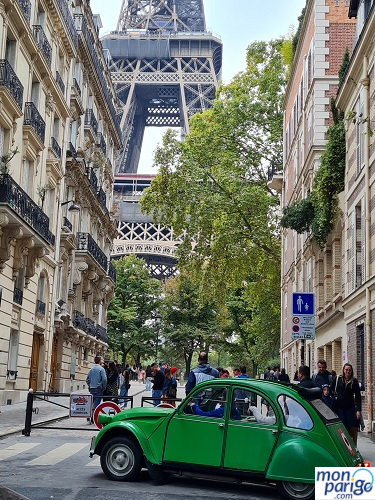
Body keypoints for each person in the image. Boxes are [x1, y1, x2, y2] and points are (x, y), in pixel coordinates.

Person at [331, 363, 361, 445]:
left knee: (350, 428)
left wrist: (358, 410)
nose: (348, 371)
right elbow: (331, 389)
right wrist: (335, 396)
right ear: (343, 370)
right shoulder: (337, 379)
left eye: (349, 370)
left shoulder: (354, 381)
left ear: (351, 371)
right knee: (341, 427)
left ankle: (351, 446)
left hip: (350, 408)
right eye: (346, 369)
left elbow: (358, 396)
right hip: (339, 407)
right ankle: (342, 445)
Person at [86, 356, 107, 423]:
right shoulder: (101, 369)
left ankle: (89, 415)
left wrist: (90, 385)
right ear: (100, 361)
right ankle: (93, 417)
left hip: (92, 389)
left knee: (92, 403)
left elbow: (87, 380)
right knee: (96, 404)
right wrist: (103, 386)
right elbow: (104, 379)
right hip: (98, 389)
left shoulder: (91, 369)